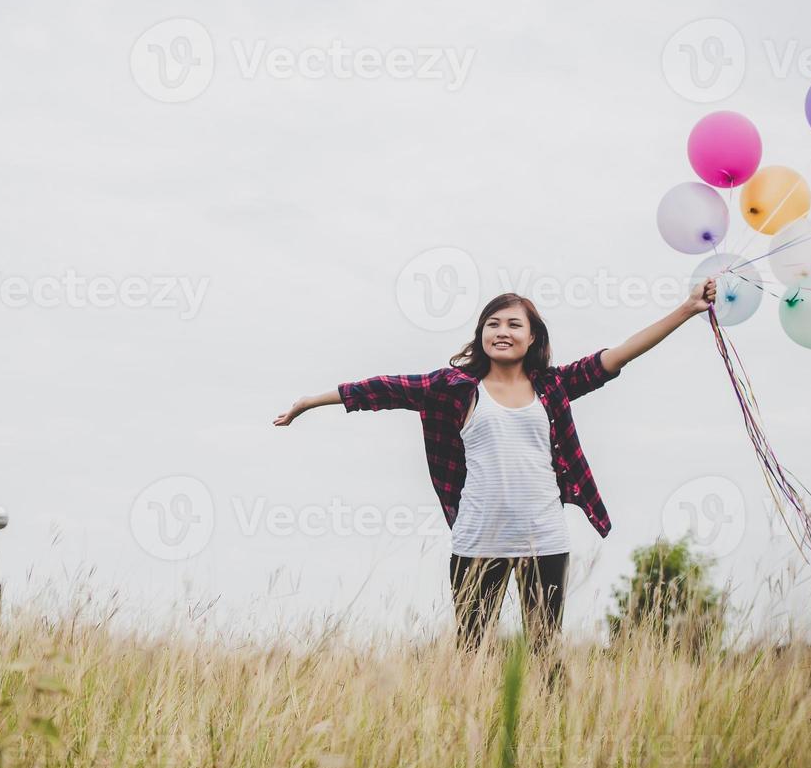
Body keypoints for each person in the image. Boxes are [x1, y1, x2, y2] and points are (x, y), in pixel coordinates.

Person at [273, 279, 717, 660]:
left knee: (546, 655)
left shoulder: (553, 386)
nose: (502, 331)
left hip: (544, 540)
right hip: (477, 541)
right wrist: (311, 401)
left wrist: (687, 308)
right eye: (493, 323)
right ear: (481, 333)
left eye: (513, 324)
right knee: (471, 656)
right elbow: (383, 388)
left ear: (532, 338)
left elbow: (617, 357)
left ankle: (545, 741)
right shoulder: (455, 387)